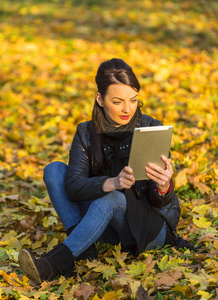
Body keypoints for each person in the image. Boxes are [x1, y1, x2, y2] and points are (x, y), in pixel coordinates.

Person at [18, 58, 181, 287]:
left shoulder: (151, 128)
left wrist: (164, 186)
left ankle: (55, 263)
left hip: (149, 229)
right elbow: (73, 186)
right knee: (54, 170)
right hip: (105, 225)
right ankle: (85, 250)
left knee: (113, 199)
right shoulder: (86, 132)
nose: (127, 109)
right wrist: (112, 182)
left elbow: (157, 201)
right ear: (100, 99)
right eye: (117, 101)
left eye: (133, 100)